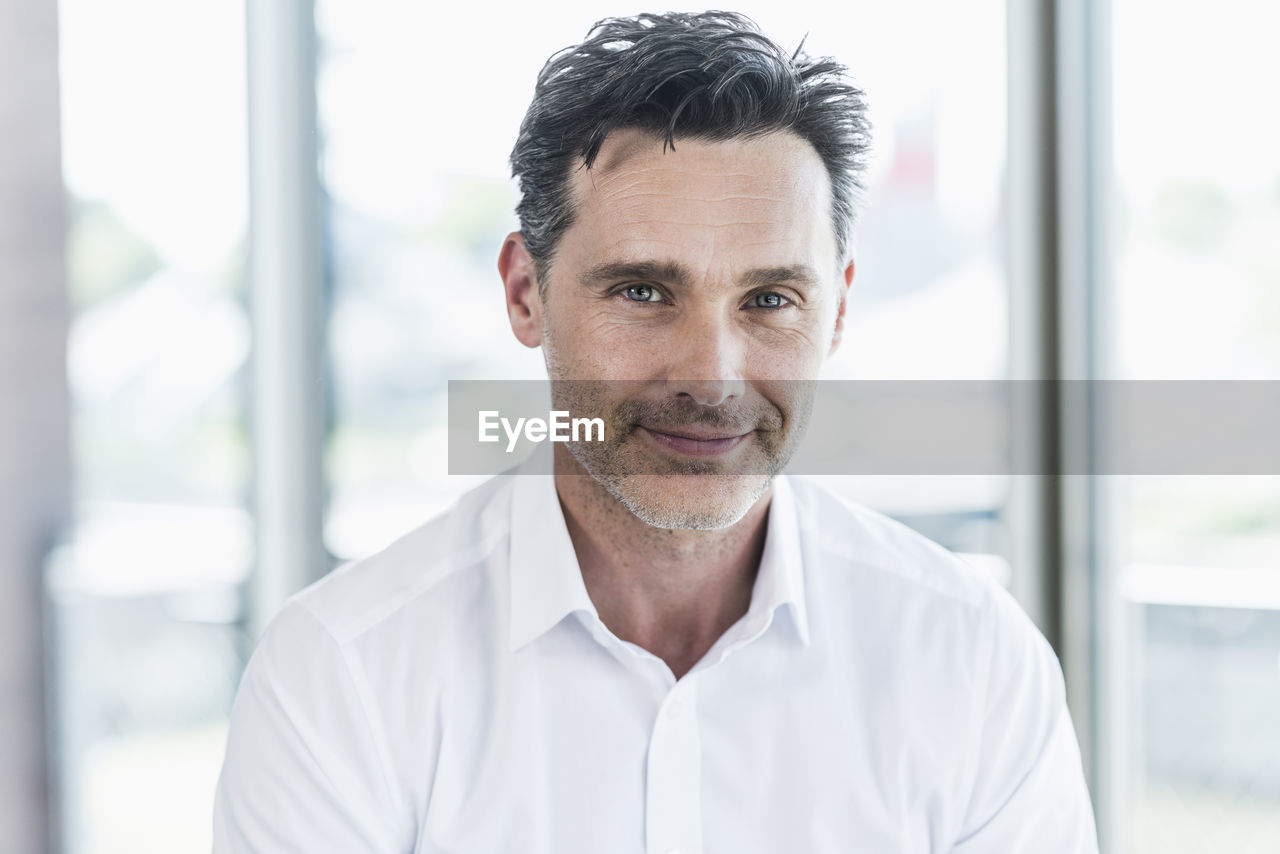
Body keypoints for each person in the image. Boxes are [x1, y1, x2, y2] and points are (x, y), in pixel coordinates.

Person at [213, 11, 1099, 852]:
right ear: (525, 293)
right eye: (643, 292)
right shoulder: (343, 675)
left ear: (836, 312)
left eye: (769, 300)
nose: (709, 376)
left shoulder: (972, 660)